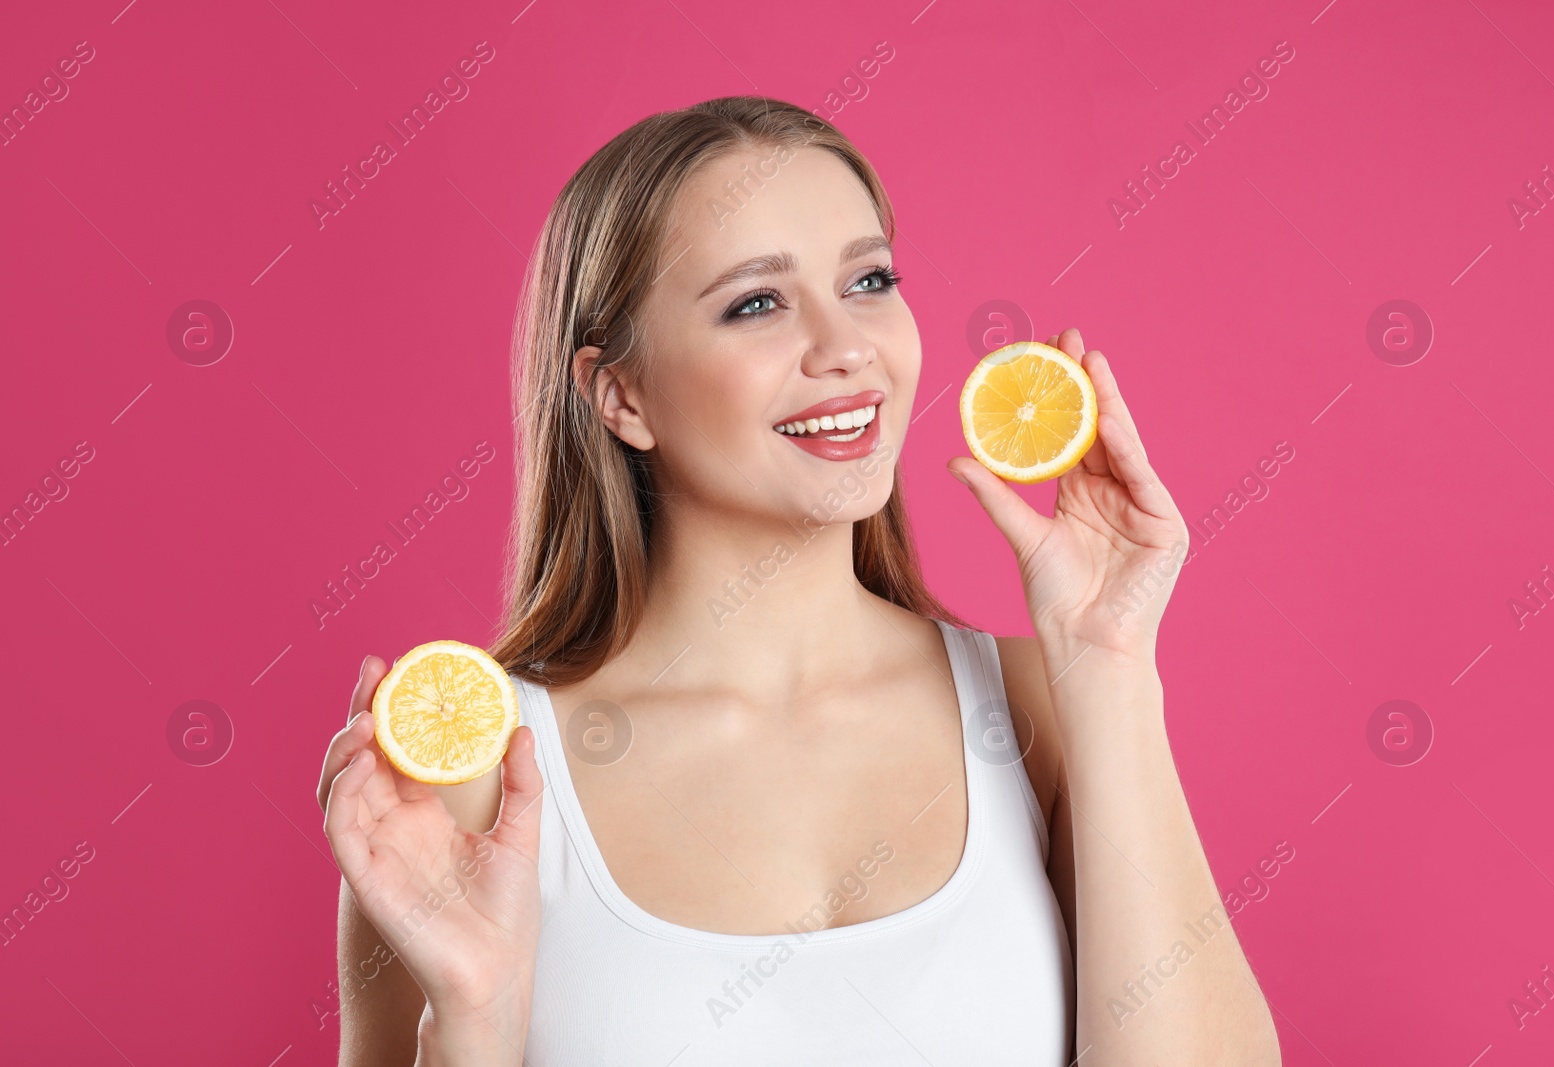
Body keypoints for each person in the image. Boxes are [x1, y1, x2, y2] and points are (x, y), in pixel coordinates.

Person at [315, 95, 1280, 1066]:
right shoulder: (471, 772)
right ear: (621, 394)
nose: (847, 345)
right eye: (757, 302)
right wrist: (473, 1017)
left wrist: (1108, 662)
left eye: (868, 279)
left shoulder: (1039, 707)